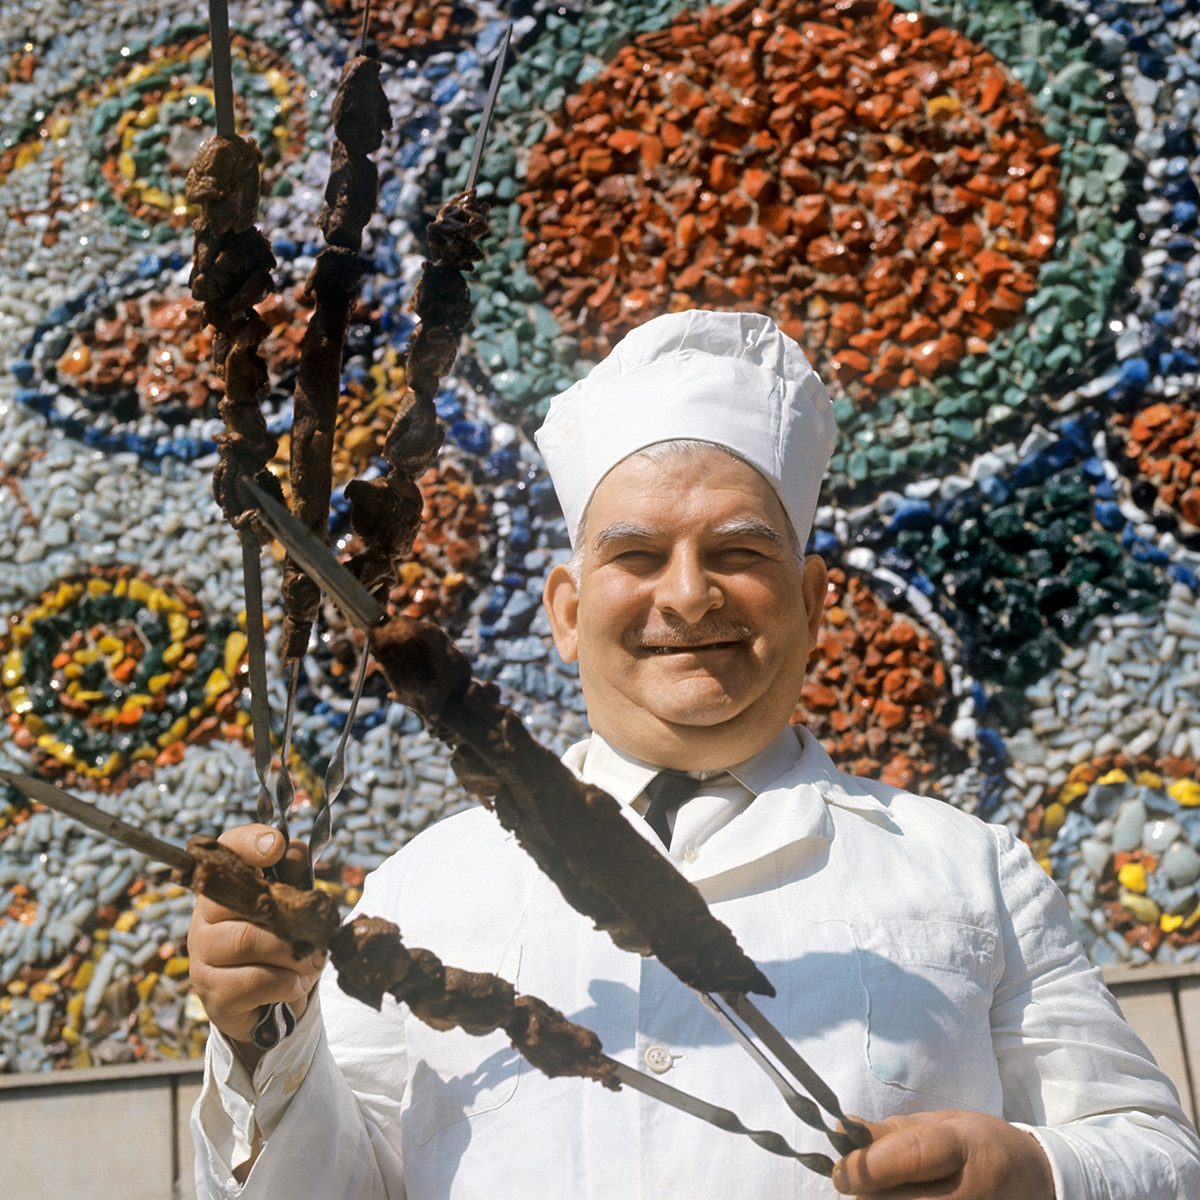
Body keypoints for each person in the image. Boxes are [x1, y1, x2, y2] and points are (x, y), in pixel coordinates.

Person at [188, 310, 1200, 1198]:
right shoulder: (422, 887)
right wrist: (262, 1036)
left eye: (738, 552)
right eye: (637, 556)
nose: (686, 596)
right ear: (568, 614)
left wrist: (1036, 1172)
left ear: (810, 604)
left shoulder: (971, 870)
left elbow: (1159, 1154)